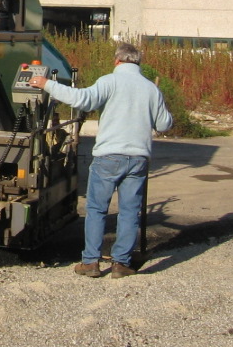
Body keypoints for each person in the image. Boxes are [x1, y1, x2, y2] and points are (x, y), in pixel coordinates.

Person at [29, 42, 173, 279]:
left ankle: (91, 262)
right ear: (138, 62)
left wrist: (47, 84)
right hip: (138, 158)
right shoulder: (150, 89)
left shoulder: (109, 81)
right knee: (130, 211)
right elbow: (165, 124)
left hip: (109, 156)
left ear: (117, 61)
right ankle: (121, 263)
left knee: (97, 209)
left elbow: (83, 99)